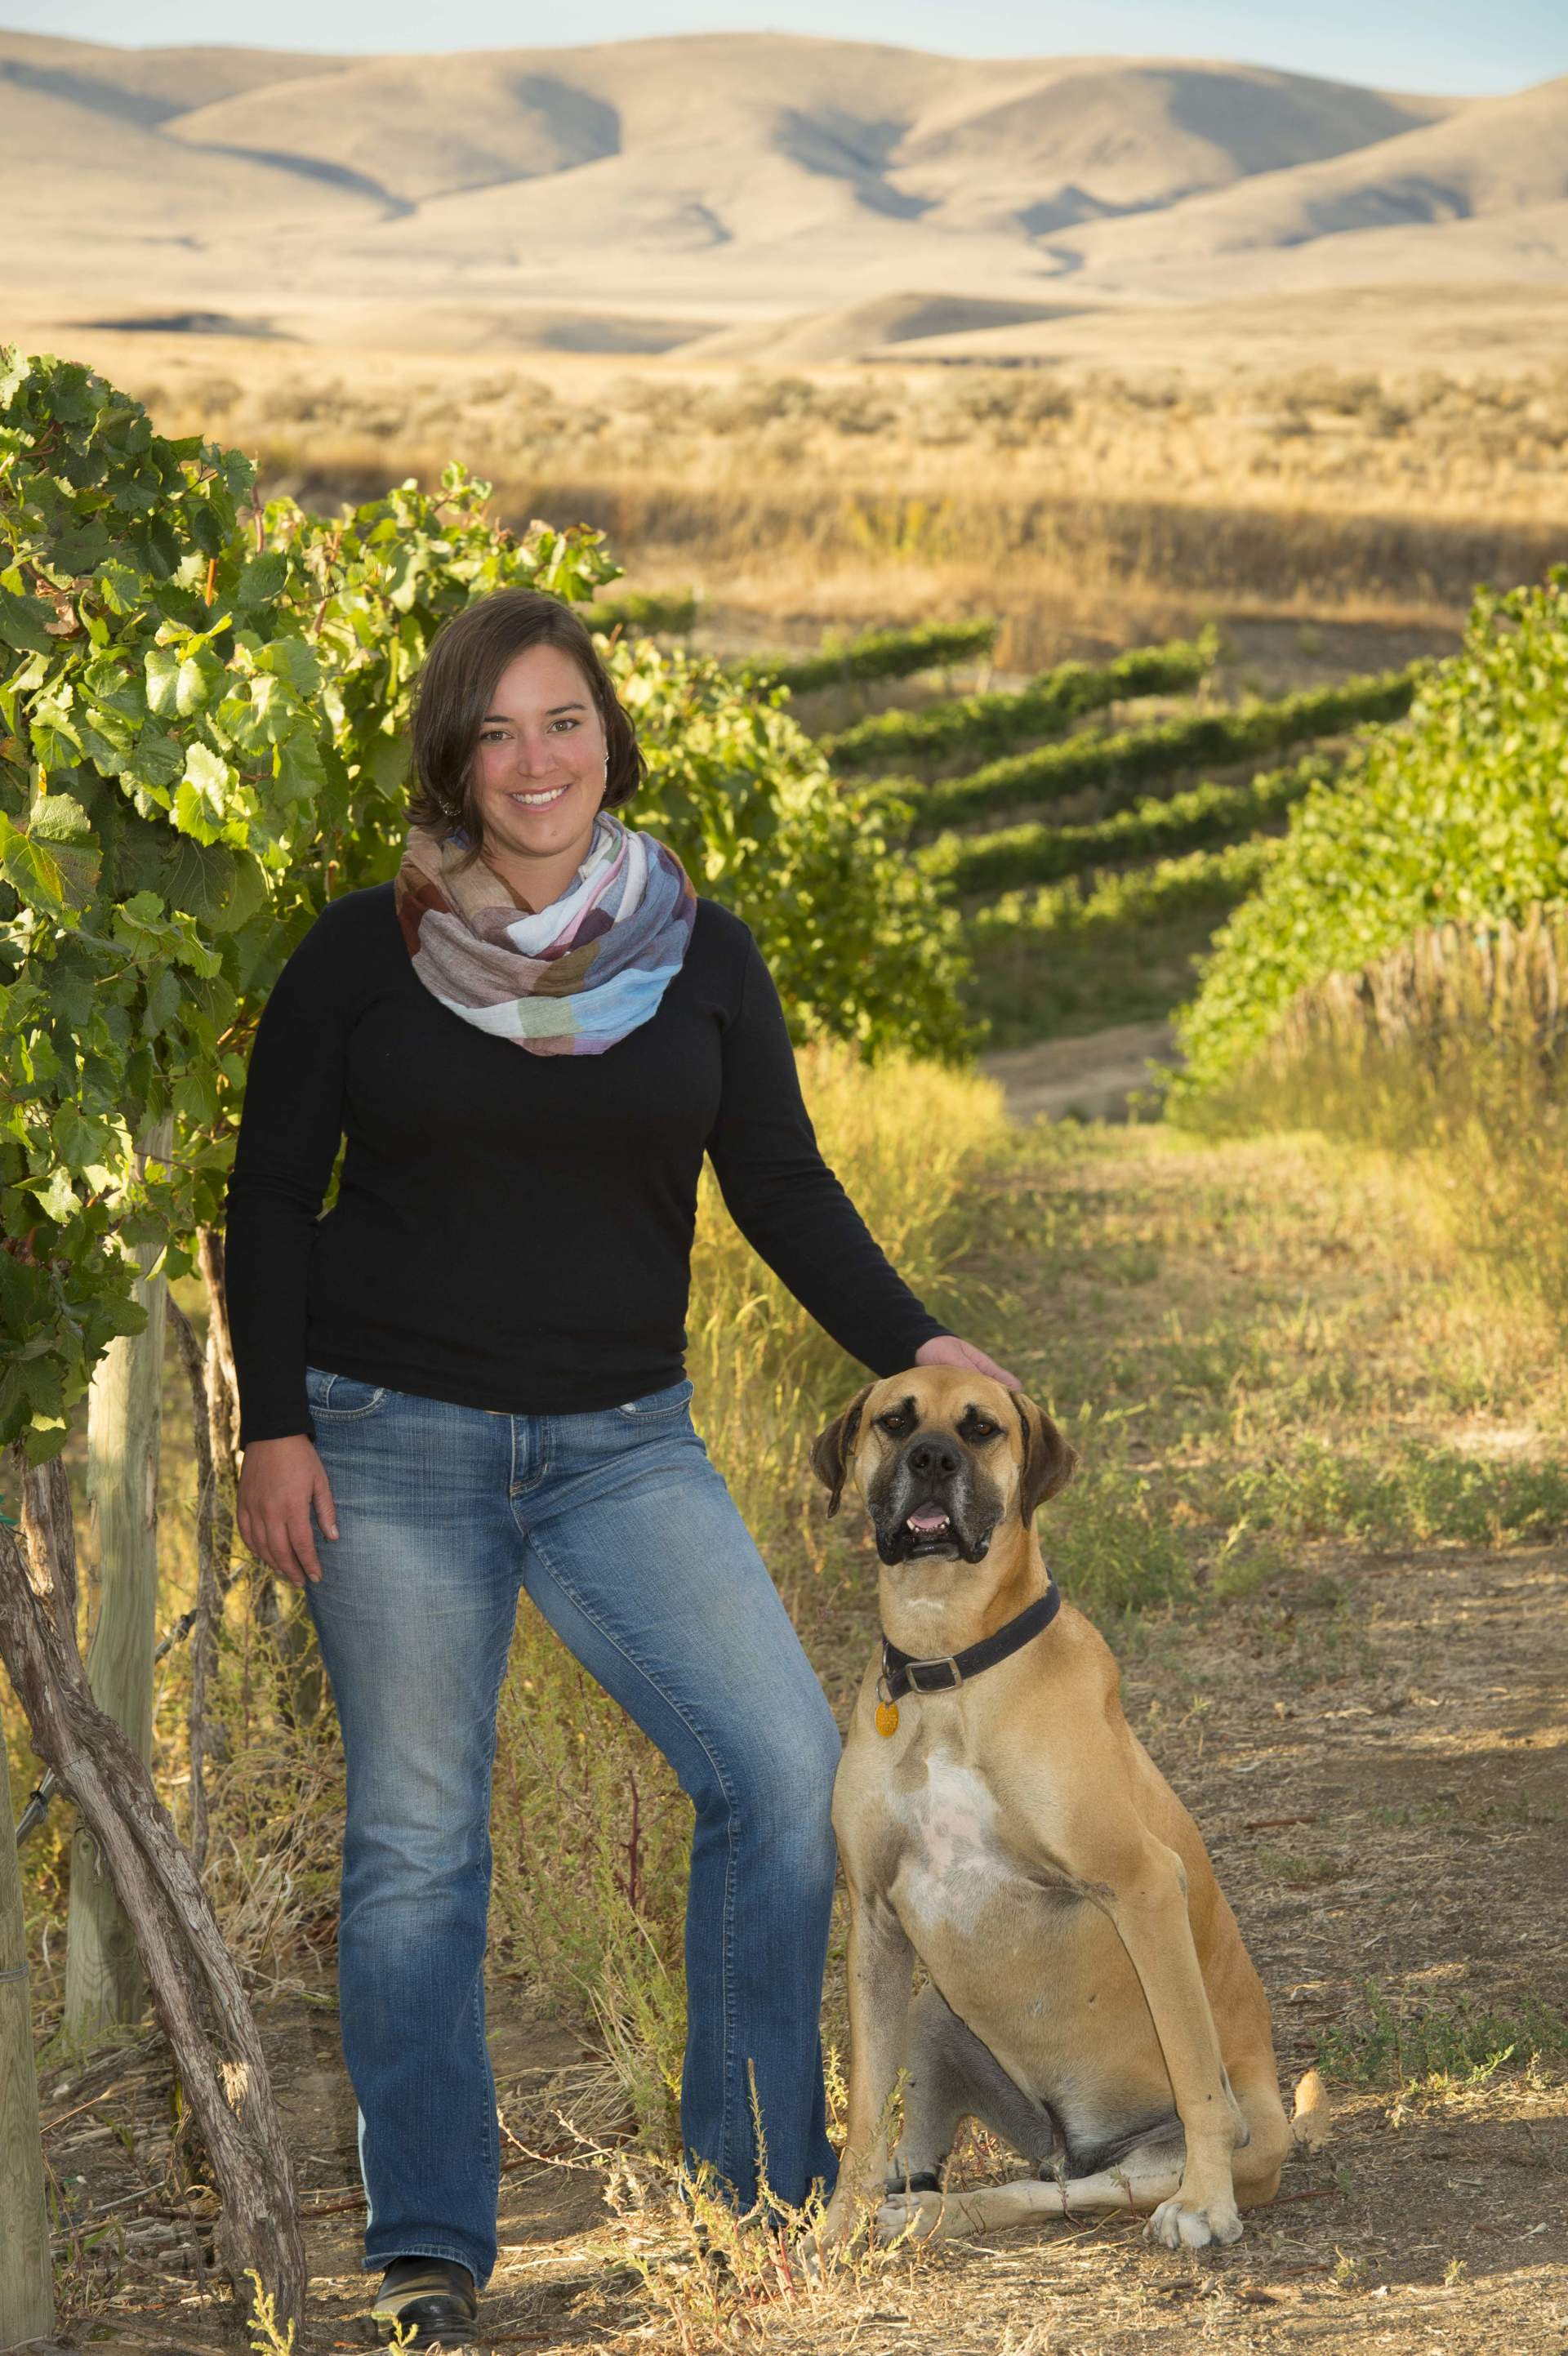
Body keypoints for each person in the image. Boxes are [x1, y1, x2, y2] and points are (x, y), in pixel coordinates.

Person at [226, 587, 1018, 2349]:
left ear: (609, 738)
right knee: (418, 1841)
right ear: (454, 752)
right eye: (496, 730)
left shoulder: (699, 950)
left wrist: (921, 1343)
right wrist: (271, 1422)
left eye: (562, 721)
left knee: (779, 1772)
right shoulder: (365, 952)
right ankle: (431, 2249)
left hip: (621, 1451)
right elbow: (270, 1196)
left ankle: (751, 2201)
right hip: (386, 1444)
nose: (534, 761)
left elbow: (784, 1186)